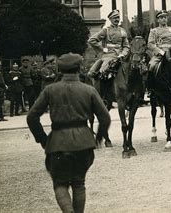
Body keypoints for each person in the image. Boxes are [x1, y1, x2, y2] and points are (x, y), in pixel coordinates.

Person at [27, 53, 111, 213]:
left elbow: (32, 116)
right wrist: (98, 138)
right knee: (79, 183)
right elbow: (105, 117)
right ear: (79, 68)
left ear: (59, 69)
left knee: (60, 184)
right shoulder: (89, 90)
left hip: (58, 142)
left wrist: (43, 139)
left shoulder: (50, 90)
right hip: (84, 142)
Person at [88, 9, 130, 79]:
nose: (117, 19)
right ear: (110, 19)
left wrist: (123, 54)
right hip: (108, 55)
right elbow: (91, 40)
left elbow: (126, 46)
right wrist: (103, 49)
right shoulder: (106, 30)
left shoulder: (123, 31)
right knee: (103, 72)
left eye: (118, 17)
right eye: (114, 18)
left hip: (121, 56)